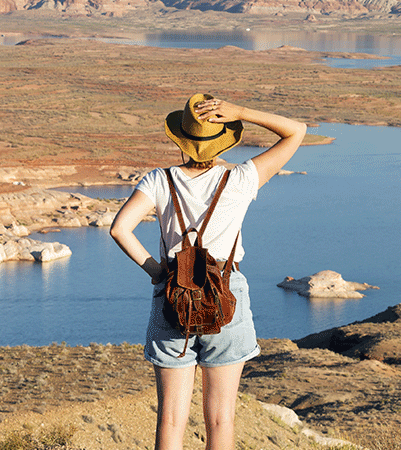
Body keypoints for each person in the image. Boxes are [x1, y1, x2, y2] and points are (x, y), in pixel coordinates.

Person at [108, 93, 306, 450]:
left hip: (173, 297)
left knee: (170, 419)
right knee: (220, 418)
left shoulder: (159, 180)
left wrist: (158, 272)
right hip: (226, 296)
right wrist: (241, 111)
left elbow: (120, 229)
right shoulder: (242, 178)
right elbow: (296, 131)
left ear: (181, 141)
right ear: (223, 138)